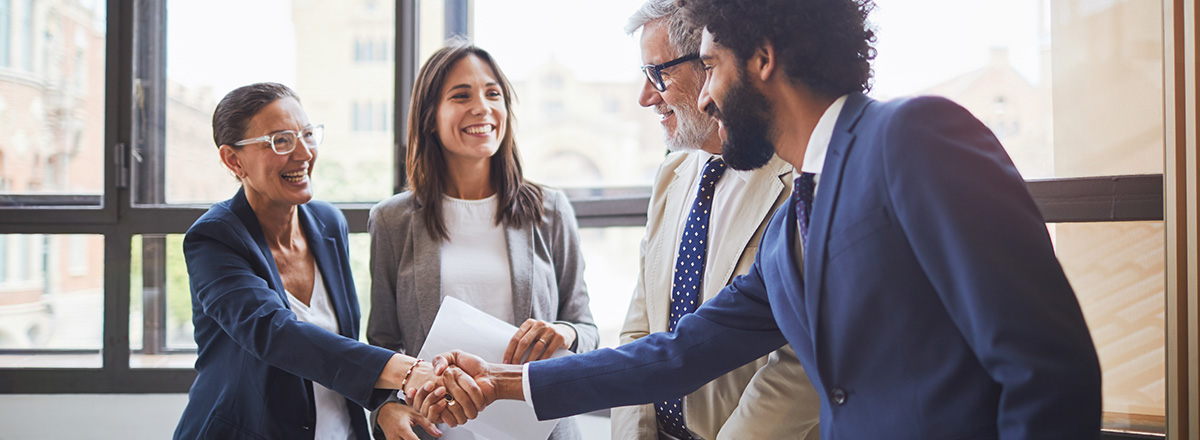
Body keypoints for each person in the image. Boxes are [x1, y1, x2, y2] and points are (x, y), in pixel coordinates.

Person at [418, 0, 1104, 438]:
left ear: (764, 59)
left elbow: (1048, 369)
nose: (708, 96)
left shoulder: (914, 135)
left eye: (710, 66)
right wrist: (500, 381)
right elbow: (677, 354)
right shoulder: (789, 233)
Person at [175, 82, 459, 440]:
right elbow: (276, 334)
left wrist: (383, 402)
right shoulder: (214, 239)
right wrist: (407, 370)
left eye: (307, 134)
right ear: (234, 160)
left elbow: (338, 342)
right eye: (281, 141)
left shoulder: (328, 223)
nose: (303, 153)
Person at [366, 42, 598, 440]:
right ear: (429, 118)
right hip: (436, 432)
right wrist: (386, 409)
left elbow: (587, 328)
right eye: (461, 96)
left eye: (493, 94)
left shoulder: (551, 210)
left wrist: (566, 333)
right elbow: (383, 344)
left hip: (541, 431)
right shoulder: (392, 221)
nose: (482, 107)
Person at [612, 1, 818, 439]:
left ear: (710, 65)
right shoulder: (672, 174)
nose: (646, 96)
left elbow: (800, 361)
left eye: (657, 74)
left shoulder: (796, 178)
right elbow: (640, 326)